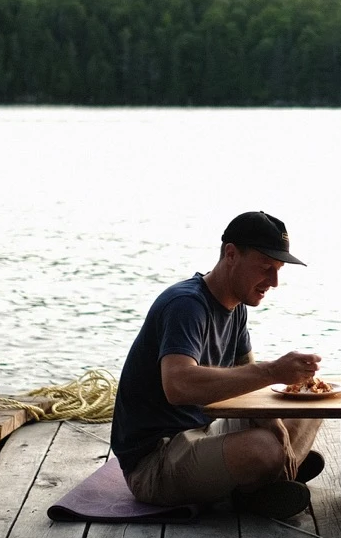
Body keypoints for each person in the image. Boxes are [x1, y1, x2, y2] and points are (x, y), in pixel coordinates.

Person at [112, 211, 324, 520]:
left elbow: (249, 391)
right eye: (266, 267)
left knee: (310, 403)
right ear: (231, 254)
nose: (274, 282)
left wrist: (274, 423)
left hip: (206, 432)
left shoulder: (236, 309)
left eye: (278, 271)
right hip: (156, 461)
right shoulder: (185, 304)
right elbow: (178, 385)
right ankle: (262, 482)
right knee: (264, 449)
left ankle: (269, 477)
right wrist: (271, 372)